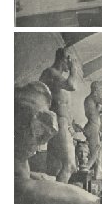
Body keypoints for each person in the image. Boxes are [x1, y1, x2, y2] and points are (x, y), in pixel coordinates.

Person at [15, 82, 99, 204]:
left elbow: (25, 177)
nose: (42, 137)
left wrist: (46, 180)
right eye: (34, 123)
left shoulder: (20, 159)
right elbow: (24, 191)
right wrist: (92, 201)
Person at [39, 48, 78, 183]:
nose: (72, 63)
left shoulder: (58, 77)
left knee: (56, 167)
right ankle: (59, 198)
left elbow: (66, 107)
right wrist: (74, 69)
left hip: (63, 123)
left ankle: (52, 198)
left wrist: (71, 126)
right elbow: (72, 85)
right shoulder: (50, 73)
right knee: (70, 165)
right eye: (71, 60)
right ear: (65, 58)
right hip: (57, 121)